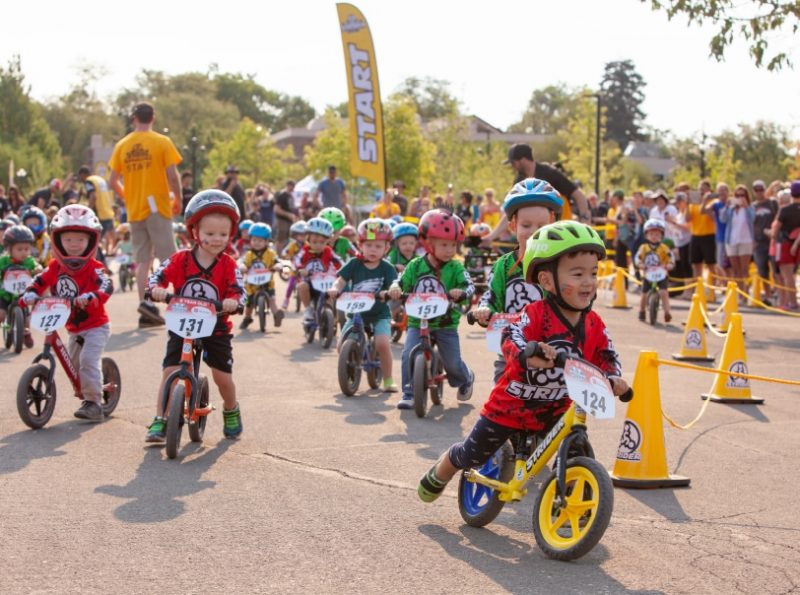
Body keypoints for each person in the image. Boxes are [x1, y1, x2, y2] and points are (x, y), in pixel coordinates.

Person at [417, 221, 626, 503]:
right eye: (577, 274)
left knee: (577, 446)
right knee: (472, 453)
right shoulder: (536, 314)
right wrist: (528, 351)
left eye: (593, 272)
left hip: (556, 407)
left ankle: (572, 502)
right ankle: (442, 469)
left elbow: (606, 354)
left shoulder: (594, 323)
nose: (588, 281)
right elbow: (511, 335)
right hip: (510, 406)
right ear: (547, 280)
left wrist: (613, 376)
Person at [145, 190, 245, 441]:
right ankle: (160, 419)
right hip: (182, 323)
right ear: (195, 232)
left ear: (230, 234)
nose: (216, 239)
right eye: (210, 234)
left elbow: (239, 290)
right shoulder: (181, 260)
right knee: (169, 371)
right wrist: (155, 289)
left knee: (222, 377)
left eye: (223, 234)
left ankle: (231, 408)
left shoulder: (228, 265)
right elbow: (158, 275)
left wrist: (234, 301)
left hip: (216, 326)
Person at [21, 205, 113, 421]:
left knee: (88, 361)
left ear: (90, 241)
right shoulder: (55, 266)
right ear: (58, 240)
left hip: (95, 326)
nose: (74, 245)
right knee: (74, 365)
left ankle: (94, 403)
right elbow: (39, 281)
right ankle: (88, 390)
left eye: (80, 240)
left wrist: (93, 296)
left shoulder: (94, 267)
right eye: (68, 239)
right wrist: (29, 294)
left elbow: (106, 284)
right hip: (73, 327)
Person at [472, 178, 563, 382]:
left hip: (551, 350)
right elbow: (492, 294)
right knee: (502, 399)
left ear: (552, 225)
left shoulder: (558, 266)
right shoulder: (504, 266)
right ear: (513, 225)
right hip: (511, 348)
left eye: (541, 226)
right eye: (526, 225)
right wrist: (485, 309)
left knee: (554, 404)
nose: (533, 232)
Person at [387, 209, 475, 410]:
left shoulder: (456, 267)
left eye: (453, 245)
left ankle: (466, 376)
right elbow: (400, 281)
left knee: (452, 362)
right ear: (428, 242)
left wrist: (461, 292)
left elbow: (468, 285)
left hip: (445, 322)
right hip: (418, 320)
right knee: (409, 352)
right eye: (444, 244)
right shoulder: (415, 265)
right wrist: (395, 288)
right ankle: (409, 392)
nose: (449, 249)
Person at [108, 102, 182, 328]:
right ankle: (180, 304)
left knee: (142, 260)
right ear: (153, 118)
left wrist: (127, 196)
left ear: (133, 119)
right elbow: (172, 174)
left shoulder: (123, 145)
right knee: (171, 257)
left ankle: (145, 306)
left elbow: (112, 181)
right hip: (157, 206)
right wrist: (178, 198)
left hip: (135, 208)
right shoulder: (161, 142)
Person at [329, 218, 399, 392]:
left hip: (378, 313)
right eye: (368, 245)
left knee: (382, 343)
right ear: (360, 245)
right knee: (340, 347)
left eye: (378, 246)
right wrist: (335, 288)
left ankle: (388, 378)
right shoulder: (354, 264)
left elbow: (394, 284)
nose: (373, 250)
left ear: (386, 248)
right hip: (356, 313)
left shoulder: (387, 268)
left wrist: (391, 291)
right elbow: (341, 280)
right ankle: (351, 368)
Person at [483, 143, 591, 246]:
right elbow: (510, 212)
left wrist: (584, 222)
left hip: (559, 232)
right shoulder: (520, 181)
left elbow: (579, 195)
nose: (513, 167)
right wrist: (490, 237)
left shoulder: (549, 172)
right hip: (534, 236)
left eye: (513, 163)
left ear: (522, 160)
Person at [294, 217, 343, 324]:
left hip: (325, 281)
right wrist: (300, 269)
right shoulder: (304, 250)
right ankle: (308, 309)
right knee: (302, 286)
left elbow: (339, 261)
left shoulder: (328, 251)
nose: (318, 245)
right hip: (310, 281)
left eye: (322, 242)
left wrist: (344, 270)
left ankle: (330, 316)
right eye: (314, 242)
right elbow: (297, 259)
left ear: (328, 241)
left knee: (331, 295)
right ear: (308, 239)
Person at [239, 222, 284, 330]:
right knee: (249, 302)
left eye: (260, 240)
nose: (256, 243)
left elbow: (277, 261)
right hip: (251, 283)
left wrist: (277, 266)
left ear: (267, 241)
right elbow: (243, 263)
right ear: (250, 240)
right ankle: (247, 317)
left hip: (267, 282)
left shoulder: (270, 253)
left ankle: (276, 314)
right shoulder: (249, 254)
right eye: (254, 240)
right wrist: (243, 267)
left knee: (272, 299)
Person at [0, 225, 39, 348]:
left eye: (27, 249)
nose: (24, 252)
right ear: (9, 249)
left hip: (23, 292)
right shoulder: (3, 261)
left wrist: (38, 269)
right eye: (20, 249)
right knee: (1, 314)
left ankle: (26, 332)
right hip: (5, 293)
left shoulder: (29, 261)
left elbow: (37, 267)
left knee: (27, 316)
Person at [719, 185, 755, 301]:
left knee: (744, 268)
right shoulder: (731, 209)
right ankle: (738, 293)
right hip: (732, 241)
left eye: (742, 195)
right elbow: (722, 219)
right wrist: (727, 205)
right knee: (735, 269)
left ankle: (745, 293)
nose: (740, 197)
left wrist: (746, 206)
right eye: (737, 195)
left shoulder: (749, 208)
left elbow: (753, 218)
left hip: (746, 240)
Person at [635, 219, 675, 323]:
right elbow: (638, 258)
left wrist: (670, 264)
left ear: (661, 235)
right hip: (648, 274)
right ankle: (642, 310)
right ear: (646, 235)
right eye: (651, 234)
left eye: (657, 234)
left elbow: (671, 258)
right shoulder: (643, 248)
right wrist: (640, 264)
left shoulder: (664, 248)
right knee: (644, 293)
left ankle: (667, 312)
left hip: (661, 274)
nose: (654, 236)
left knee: (663, 292)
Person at [772, 181, 800, 310]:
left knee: (787, 276)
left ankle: (791, 302)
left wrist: (771, 233)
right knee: (792, 275)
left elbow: (775, 230)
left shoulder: (784, 210)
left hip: (784, 244)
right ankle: (793, 301)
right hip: (797, 244)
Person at [77, 165, 117, 255]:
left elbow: (93, 196)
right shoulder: (99, 179)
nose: (80, 179)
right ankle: (112, 254)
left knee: (95, 241)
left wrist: (87, 211)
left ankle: (95, 260)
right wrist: (84, 194)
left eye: (80, 176)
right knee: (114, 237)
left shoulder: (88, 182)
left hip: (100, 214)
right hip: (108, 211)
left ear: (83, 174)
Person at [751, 179, 778, 303]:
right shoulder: (753, 206)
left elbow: (779, 218)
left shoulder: (772, 203)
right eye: (756, 190)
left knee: (776, 268)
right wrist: (752, 240)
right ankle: (767, 295)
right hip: (758, 242)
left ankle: (777, 292)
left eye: (761, 189)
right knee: (762, 269)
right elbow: (750, 224)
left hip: (772, 241)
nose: (759, 192)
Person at [686, 179, 717, 284]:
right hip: (695, 236)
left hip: (709, 235)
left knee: (710, 264)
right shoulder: (693, 204)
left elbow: (714, 218)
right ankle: (697, 288)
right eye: (700, 189)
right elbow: (687, 219)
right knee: (696, 265)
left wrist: (705, 201)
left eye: (704, 189)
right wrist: (687, 204)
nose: (702, 192)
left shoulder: (713, 203)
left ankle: (714, 288)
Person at [274, 180, 298, 252]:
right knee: (281, 238)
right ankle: (278, 254)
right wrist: (288, 215)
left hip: (289, 221)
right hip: (282, 220)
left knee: (288, 239)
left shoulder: (290, 196)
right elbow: (276, 209)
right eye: (292, 186)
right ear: (288, 185)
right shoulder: (282, 195)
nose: (293, 188)